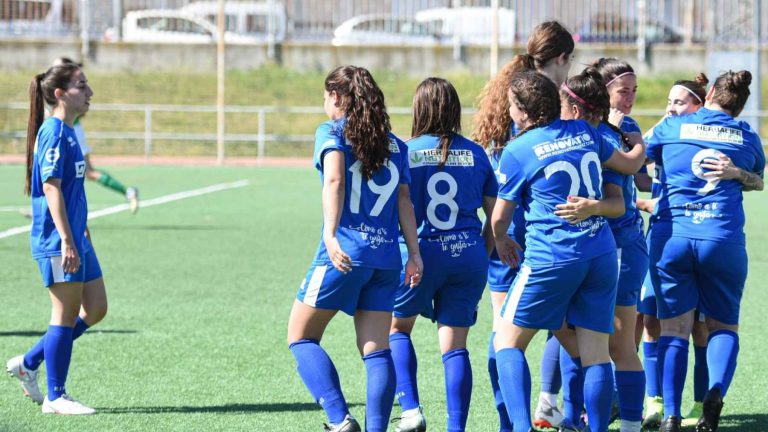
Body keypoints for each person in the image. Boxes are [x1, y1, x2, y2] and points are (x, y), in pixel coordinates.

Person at [492, 70, 647, 432]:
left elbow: (500, 217)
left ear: (523, 111)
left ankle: (520, 426)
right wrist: (636, 143)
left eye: (512, 105)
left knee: (506, 342)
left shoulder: (517, 150)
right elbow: (628, 169)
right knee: (595, 353)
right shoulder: (585, 132)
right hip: (602, 254)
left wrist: (501, 239)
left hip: (552, 257)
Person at [286, 66, 423, 432]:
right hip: (385, 258)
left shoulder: (331, 132)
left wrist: (330, 235)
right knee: (376, 349)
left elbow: (334, 180)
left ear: (336, 97)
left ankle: (338, 419)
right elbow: (404, 201)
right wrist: (414, 253)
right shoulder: (395, 144)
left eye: (325, 96)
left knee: (301, 336)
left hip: (344, 253)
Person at [645, 70, 764, 432]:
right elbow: (758, 179)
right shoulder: (746, 135)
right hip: (721, 239)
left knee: (673, 330)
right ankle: (713, 399)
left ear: (708, 92)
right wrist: (735, 172)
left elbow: (638, 156)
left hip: (673, 238)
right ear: (741, 105)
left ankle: (671, 416)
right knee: (723, 325)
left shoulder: (673, 126)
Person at [471, 20, 574, 432]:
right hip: (545, 242)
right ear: (562, 58)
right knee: (572, 335)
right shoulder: (557, 109)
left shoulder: (509, 99)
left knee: (505, 334)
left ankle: (515, 418)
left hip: (508, 244)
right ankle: (568, 410)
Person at [389, 77, 497, 432]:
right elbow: (495, 216)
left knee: (397, 329)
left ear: (418, 108)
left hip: (420, 254)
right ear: (454, 109)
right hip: (468, 256)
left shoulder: (407, 151)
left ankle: (411, 412)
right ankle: (456, 428)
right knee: (455, 347)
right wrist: (481, 251)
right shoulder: (477, 153)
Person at [6, 62, 105, 415]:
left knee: (95, 309)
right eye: (82, 85)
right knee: (63, 315)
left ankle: (29, 362)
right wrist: (65, 238)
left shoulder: (70, 132)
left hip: (77, 237)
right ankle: (56, 396)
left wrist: (81, 231)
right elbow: (50, 187)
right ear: (60, 94)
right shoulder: (52, 132)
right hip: (57, 240)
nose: (89, 91)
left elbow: (73, 189)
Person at [556, 67, 649, 432]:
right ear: (600, 95)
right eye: (622, 91)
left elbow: (625, 190)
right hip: (583, 248)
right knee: (569, 332)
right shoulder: (588, 132)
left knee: (619, 346)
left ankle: (627, 422)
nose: (629, 99)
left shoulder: (614, 134)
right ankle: (571, 412)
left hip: (620, 244)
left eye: (633, 91)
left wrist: (635, 144)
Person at [635, 73, 710, 429]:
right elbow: (636, 160)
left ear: (699, 106)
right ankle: (656, 399)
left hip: (698, 236)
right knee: (651, 320)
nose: (671, 107)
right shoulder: (665, 131)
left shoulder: (705, 137)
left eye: (679, 102)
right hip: (662, 237)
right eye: (668, 101)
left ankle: (698, 401)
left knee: (699, 327)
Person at [52, 57, 139, 214]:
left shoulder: (64, 89)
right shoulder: (54, 88)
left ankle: (128, 191)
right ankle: (52, 208)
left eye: (56, 65)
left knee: (86, 172)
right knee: (67, 172)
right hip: (68, 131)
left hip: (72, 132)